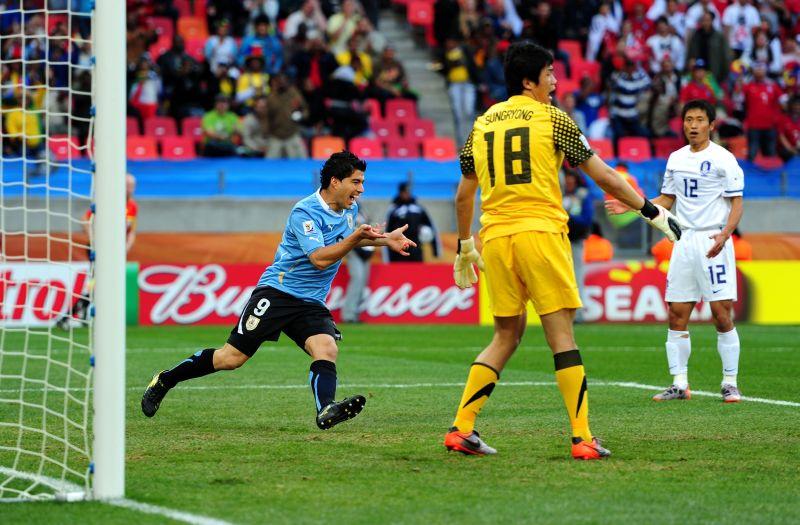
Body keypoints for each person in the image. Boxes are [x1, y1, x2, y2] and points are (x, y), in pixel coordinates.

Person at [444, 42, 681, 460]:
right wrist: (652, 212)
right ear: (529, 81)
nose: (555, 82)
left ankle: (461, 428)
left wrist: (466, 244)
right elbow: (603, 175)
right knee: (562, 337)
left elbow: (464, 195)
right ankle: (582, 437)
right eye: (550, 74)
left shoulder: (481, 124)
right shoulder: (553, 118)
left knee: (505, 334)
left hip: (495, 239)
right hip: (540, 234)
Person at [140, 152, 416, 430]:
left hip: (310, 301)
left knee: (326, 348)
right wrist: (358, 236)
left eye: (362, 182)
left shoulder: (348, 211)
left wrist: (384, 240)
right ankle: (166, 379)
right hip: (278, 293)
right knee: (231, 358)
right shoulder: (304, 211)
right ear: (335, 181)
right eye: (356, 182)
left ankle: (326, 409)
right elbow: (320, 258)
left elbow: (343, 243)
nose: (361, 189)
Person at [606, 99, 744, 403]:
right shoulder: (675, 159)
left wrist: (724, 235)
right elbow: (667, 200)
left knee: (721, 314)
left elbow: (736, 203)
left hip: (713, 240)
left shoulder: (724, 160)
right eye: (688, 120)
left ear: (711, 124)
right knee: (677, 313)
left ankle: (730, 382)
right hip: (683, 240)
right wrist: (630, 204)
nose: (693, 125)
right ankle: (680, 384)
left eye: (699, 120)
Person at [57, 174, 138, 330]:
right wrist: (95, 241)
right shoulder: (109, 202)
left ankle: (80, 316)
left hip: (115, 251)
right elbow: (85, 220)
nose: (131, 188)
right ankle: (67, 317)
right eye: (128, 185)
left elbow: (131, 231)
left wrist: (126, 247)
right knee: (99, 283)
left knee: (98, 284)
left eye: (132, 185)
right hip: (100, 250)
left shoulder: (132, 206)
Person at [385, 182, 439, 263]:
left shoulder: (418, 209)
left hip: (416, 249)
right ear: (400, 192)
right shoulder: (394, 209)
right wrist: (389, 257)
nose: (407, 194)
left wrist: (435, 250)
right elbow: (387, 231)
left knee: (417, 274)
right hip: (398, 251)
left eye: (408, 192)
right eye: (404, 192)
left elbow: (431, 227)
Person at [341, 207, 373, 323]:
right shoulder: (346, 210)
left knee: (363, 282)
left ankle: (354, 315)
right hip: (353, 250)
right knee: (357, 279)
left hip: (365, 249)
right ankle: (348, 315)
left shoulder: (362, 211)